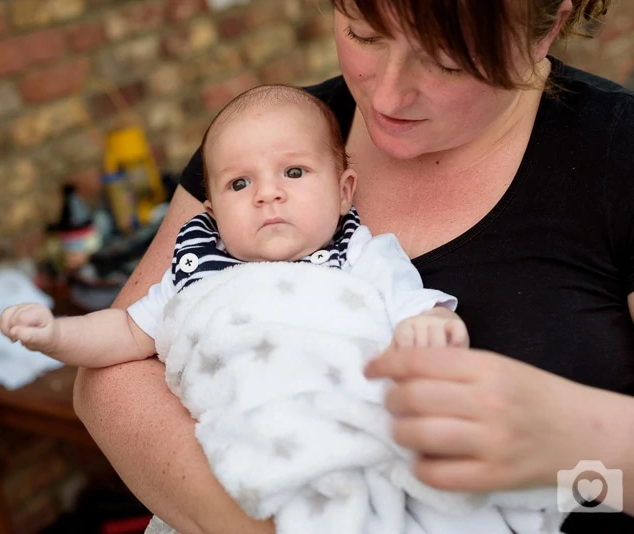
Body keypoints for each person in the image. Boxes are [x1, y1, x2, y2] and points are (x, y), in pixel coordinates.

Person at [72, 1, 634, 533]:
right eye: (364, 32)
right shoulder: (265, 143)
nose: (388, 92)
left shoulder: (619, 154)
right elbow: (112, 378)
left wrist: (570, 431)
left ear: (546, 29)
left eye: (447, 59)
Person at [0, 84, 468, 377]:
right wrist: (55, 335)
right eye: (240, 183)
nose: (267, 194)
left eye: (294, 172)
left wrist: (435, 328)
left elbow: (416, 310)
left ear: (344, 191)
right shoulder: (201, 270)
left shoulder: (360, 255)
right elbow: (122, 331)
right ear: (213, 211)